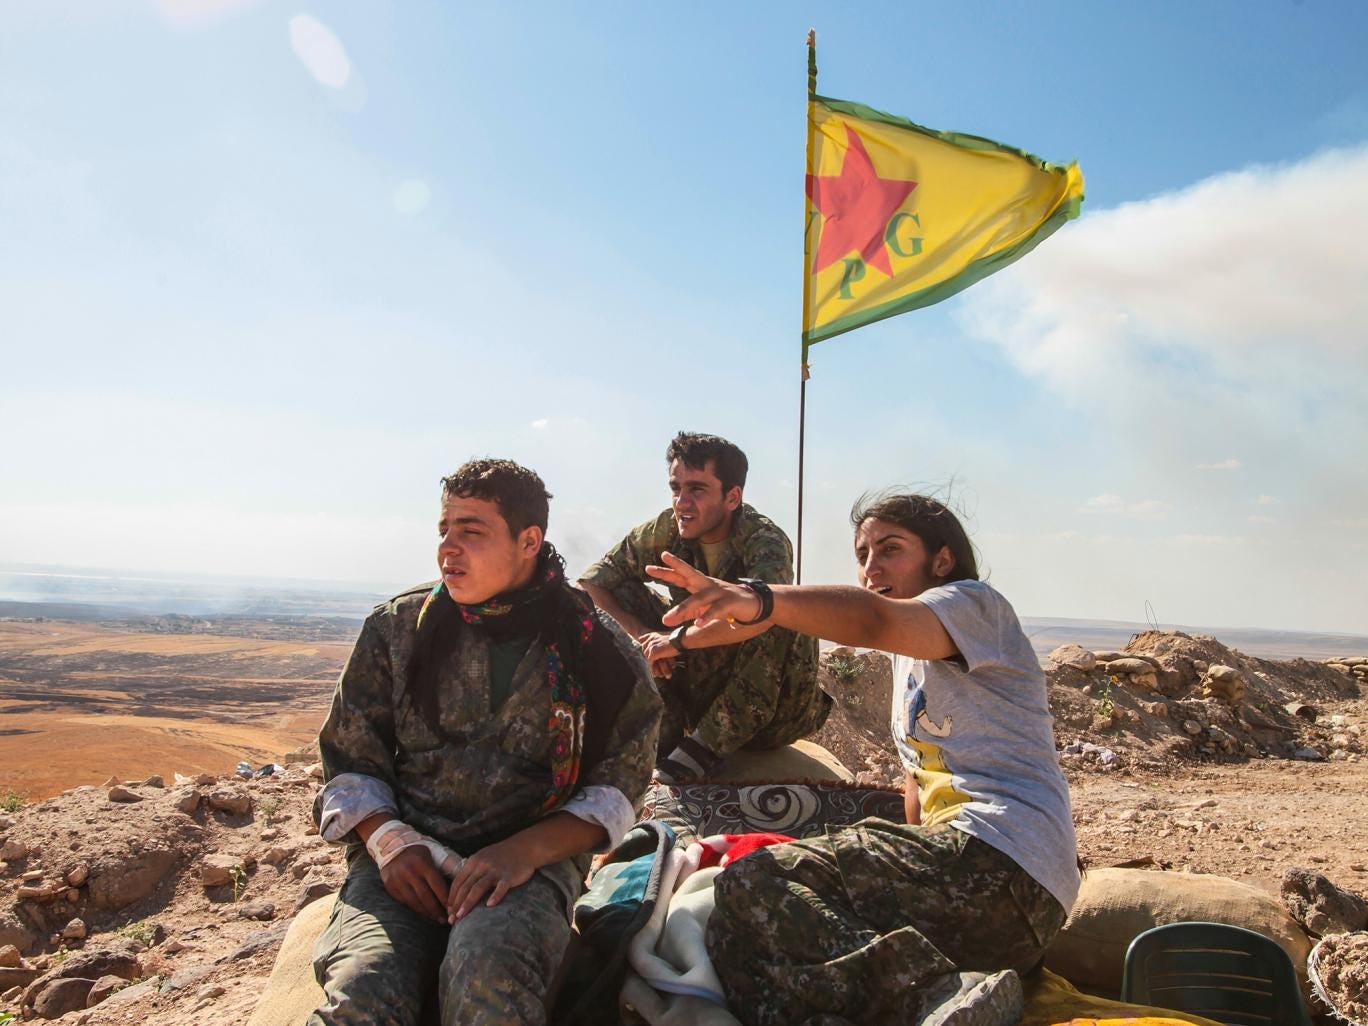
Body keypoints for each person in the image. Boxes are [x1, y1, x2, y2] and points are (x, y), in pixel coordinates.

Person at [645, 492, 1079, 1025]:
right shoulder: (911, 658)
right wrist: (680, 643)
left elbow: (868, 618)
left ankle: (930, 996)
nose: (871, 567)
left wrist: (753, 594)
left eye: (890, 549)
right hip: (986, 906)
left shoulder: (974, 606)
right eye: (863, 554)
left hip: (1001, 860)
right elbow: (917, 791)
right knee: (744, 951)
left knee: (756, 881)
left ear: (940, 560)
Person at [309, 459, 662, 1026]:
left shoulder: (598, 650)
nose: (449, 548)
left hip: (526, 867)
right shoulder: (397, 629)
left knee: (487, 978)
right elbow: (350, 763)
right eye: (444, 530)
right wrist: (390, 842)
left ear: (529, 541)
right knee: (365, 992)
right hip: (404, 863)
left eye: (471, 531)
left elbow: (618, 791)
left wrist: (522, 853)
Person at [579, 431, 829, 783]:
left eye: (696, 489)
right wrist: (645, 637)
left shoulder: (764, 541)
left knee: (774, 608)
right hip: (699, 693)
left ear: (732, 497)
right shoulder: (666, 530)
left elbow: (759, 616)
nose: (682, 501)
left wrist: (677, 641)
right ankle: (663, 734)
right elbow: (591, 585)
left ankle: (703, 749)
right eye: (675, 488)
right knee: (611, 604)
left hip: (772, 713)